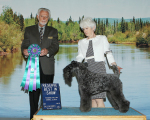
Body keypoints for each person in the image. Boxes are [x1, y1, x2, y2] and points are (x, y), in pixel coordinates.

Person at [21, 8, 59, 120]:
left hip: (48, 68)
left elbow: (55, 46)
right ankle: (33, 117)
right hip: (33, 68)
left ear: (48, 18)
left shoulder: (53, 31)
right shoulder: (29, 30)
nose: (44, 18)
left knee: (47, 98)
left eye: (46, 16)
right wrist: (24, 51)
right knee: (33, 98)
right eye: (42, 16)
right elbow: (24, 45)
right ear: (37, 16)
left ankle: (46, 118)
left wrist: (48, 51)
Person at [76, 17, 122, 108]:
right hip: (87, 69)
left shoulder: (102, 38)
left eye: (87, 28)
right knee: (92, 98)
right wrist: (75, 65)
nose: (85, 31)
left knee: (99, 98)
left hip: (99, 67)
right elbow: (80, 56)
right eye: (83, 29)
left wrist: (114, 65)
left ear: (93, 28)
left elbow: (108, 53)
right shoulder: (81, 42)